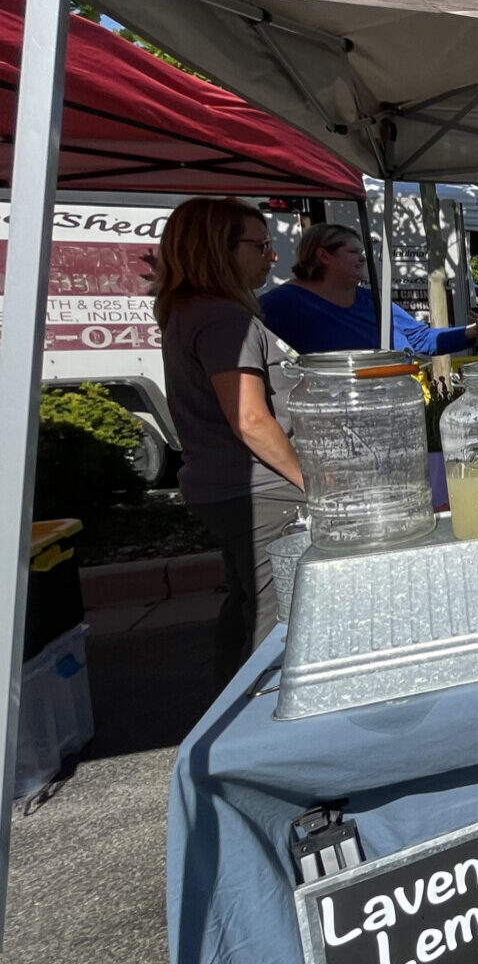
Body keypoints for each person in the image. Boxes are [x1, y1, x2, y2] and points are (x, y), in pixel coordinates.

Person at [154, 199, 305, 683]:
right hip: (260, 490)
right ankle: (256, 726)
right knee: (276, 617)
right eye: (260, 246)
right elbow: (249, 418)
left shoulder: (193, 310)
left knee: (245, 602)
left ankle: (228, 710)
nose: (272, 256)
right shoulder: (223, 318)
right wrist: (310, 481)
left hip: (228, 487)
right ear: (218, 250)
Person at [260, 223, 478, 356]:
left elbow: (419, 338)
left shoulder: (372, 301)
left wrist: (472, 331)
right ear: (323, 256)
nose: (362, 259)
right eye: (353, 252)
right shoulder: (284, 304)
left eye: (362, 252)